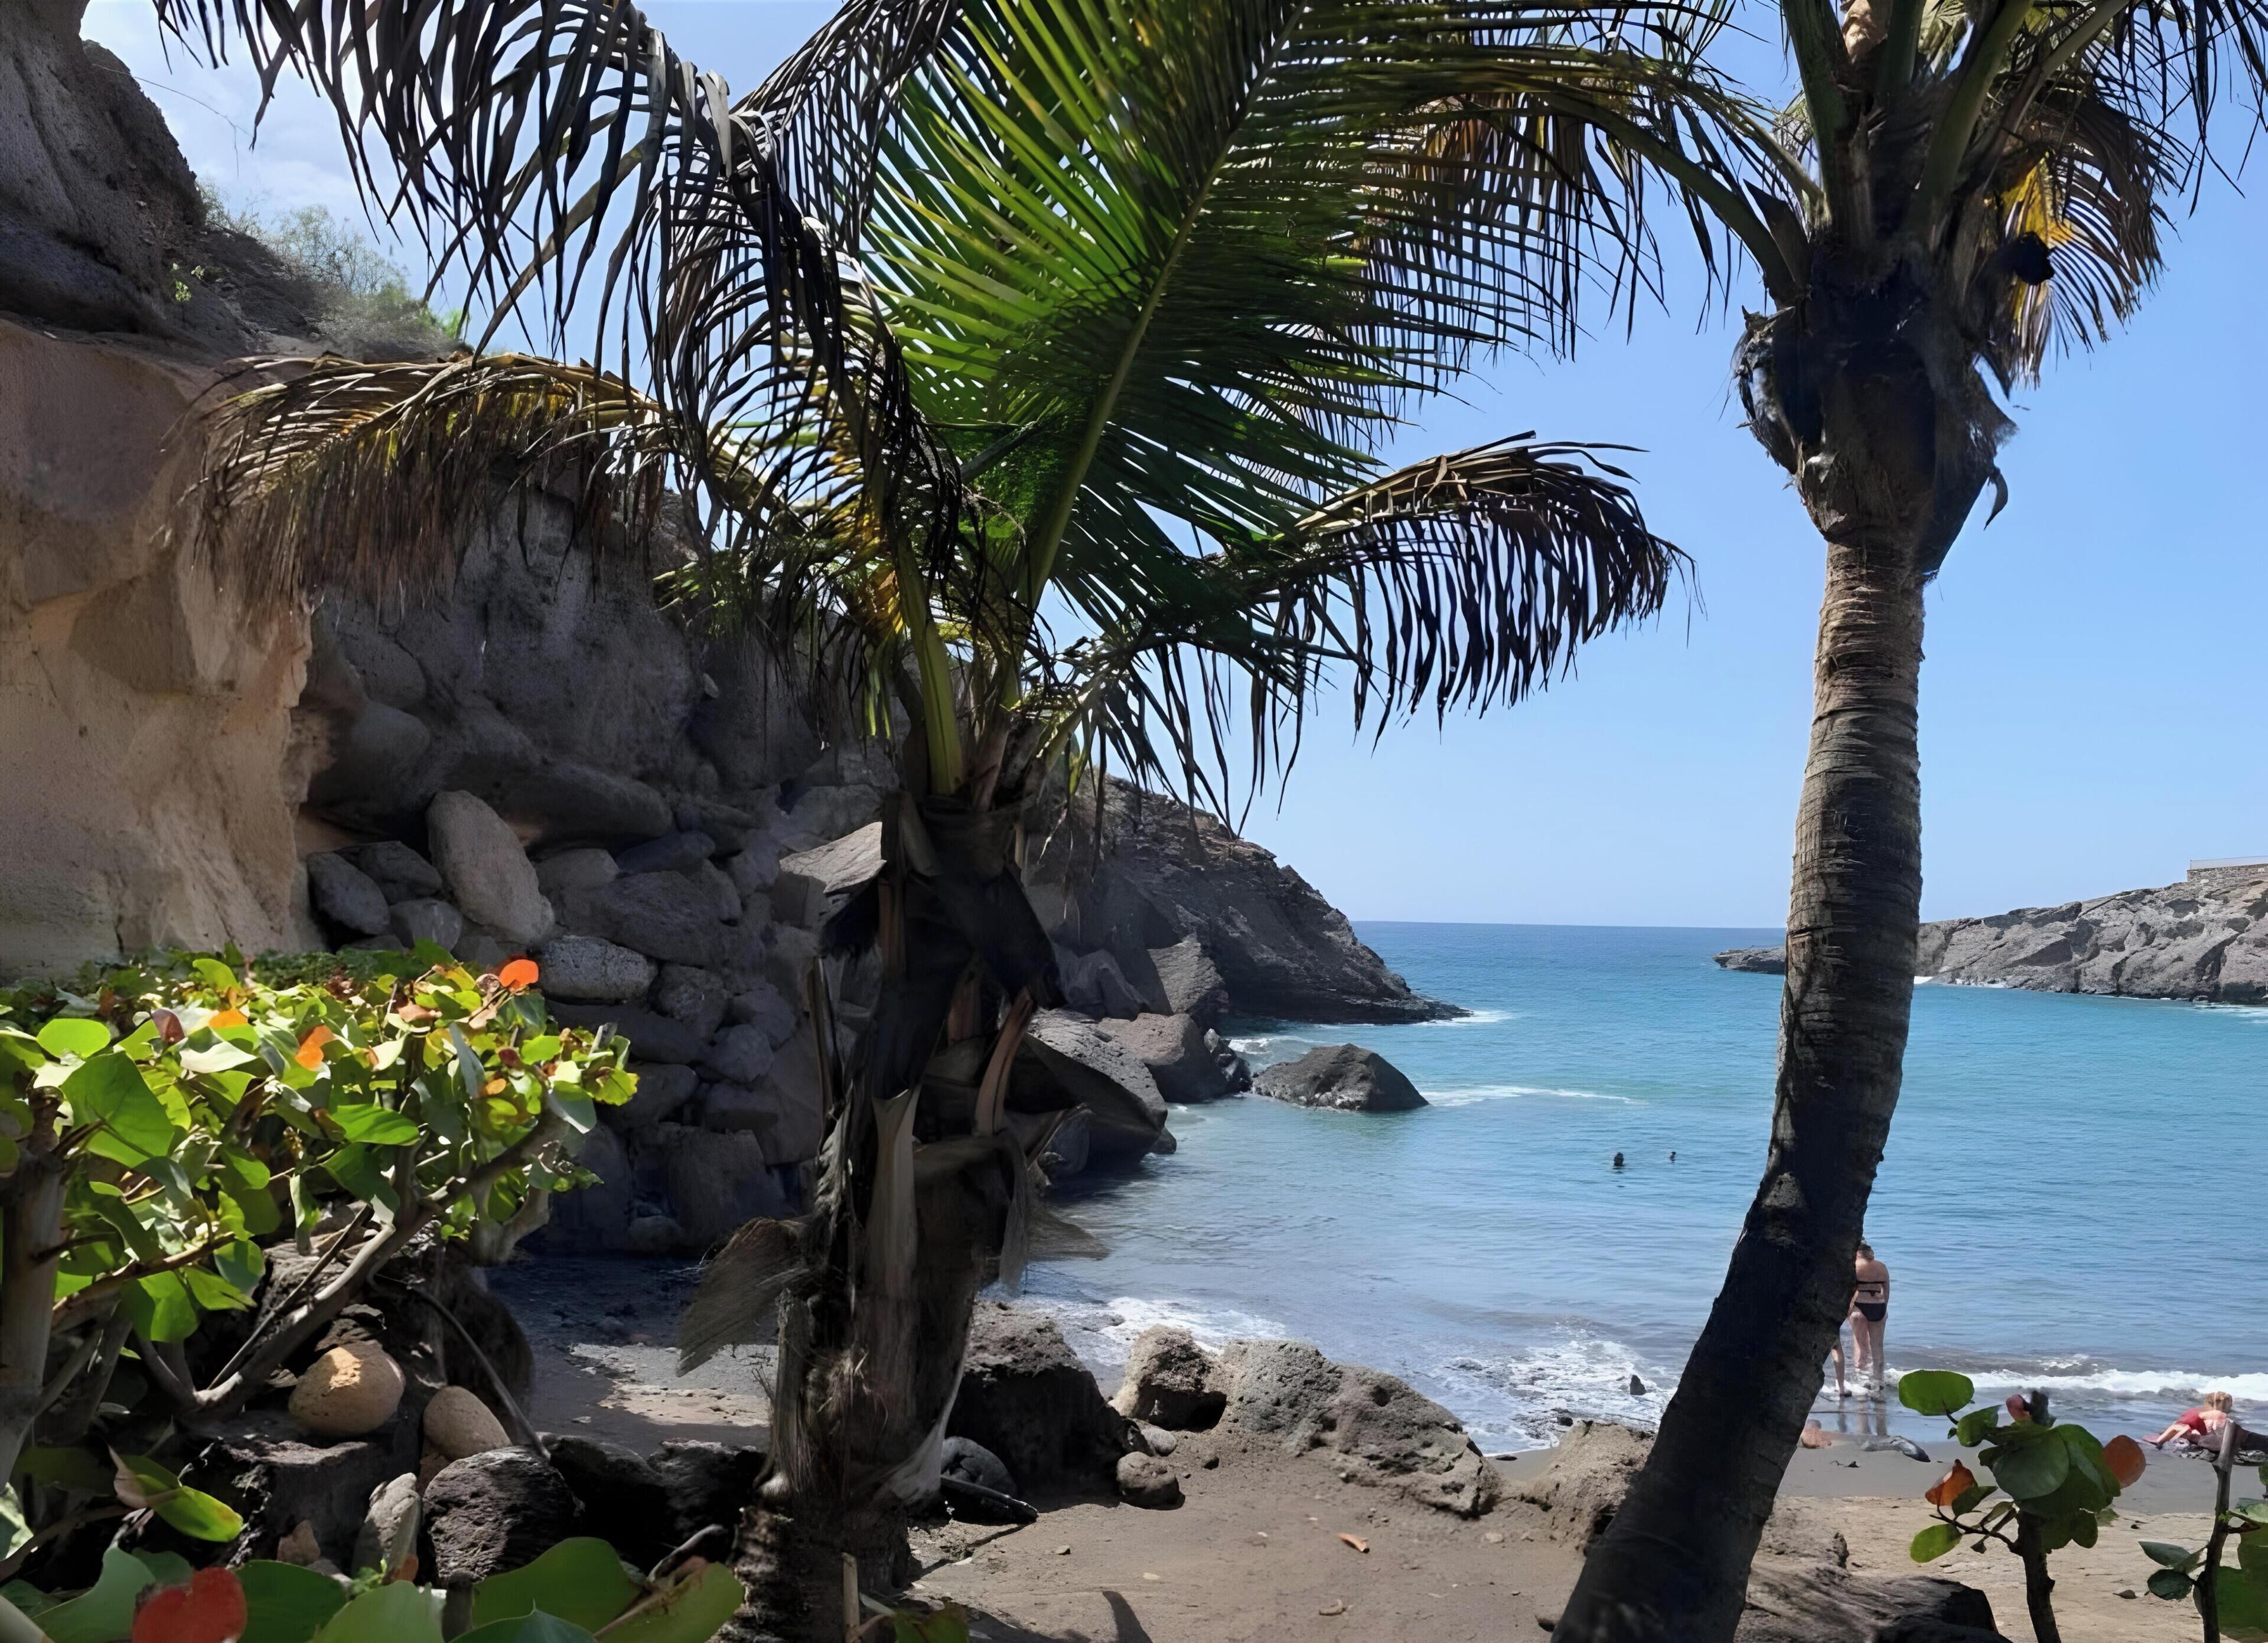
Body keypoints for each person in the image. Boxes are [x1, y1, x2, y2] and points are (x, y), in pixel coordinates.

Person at [1850, 1242, 1889, 1397]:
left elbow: (1850, 1291)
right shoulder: (1882, 1267)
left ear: (1858, 1253)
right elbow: (1887, 1291)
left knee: (1860, 1345)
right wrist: (1884, 1309)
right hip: (1878, 1307)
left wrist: (1849, 1311)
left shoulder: (1854, 1266)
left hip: (1859, 1308)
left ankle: (1862, 1380)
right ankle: (1879, 1381)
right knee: (1877, 1347)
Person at [2149, 1390, 2238, 1449]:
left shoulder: (2197, 1410)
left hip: (2179, 1427)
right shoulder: (2217, 1414)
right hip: (2189, 1431)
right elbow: (2217, 1432)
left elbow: (2179, 1422)